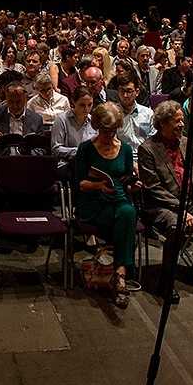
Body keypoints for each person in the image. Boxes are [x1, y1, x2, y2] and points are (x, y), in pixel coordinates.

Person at [138, 100, 193, 297]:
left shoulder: (186, 143)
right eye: (177, 121)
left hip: (191, 204)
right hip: (162, 206)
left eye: (182, 120)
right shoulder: (148, 149)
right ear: (162, 123)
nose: (181, 125)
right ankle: (166, 281)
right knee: (176, 227)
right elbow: (154, 189)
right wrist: (181, 210)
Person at [72, 103, 139, 309]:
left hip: (118, 198)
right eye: (104, 131)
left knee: (127, 211)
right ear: (97, 127)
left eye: (112, 131)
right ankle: (121, 276)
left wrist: (134, 182)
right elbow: (79, 184)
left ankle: (117, 273)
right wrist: (99, 185)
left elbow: (128, 179)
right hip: (93, 202)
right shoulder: (86, 149)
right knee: (124, 220)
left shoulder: (125, 149)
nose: (108, 135)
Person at [0, 78, 45, 161]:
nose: (15, 106)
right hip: (0, 163)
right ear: (6, 98)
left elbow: (42, 149)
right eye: (11, 102)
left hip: (27, 163)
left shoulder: (36, 119)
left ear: (25, 99)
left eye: (18, 102)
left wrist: (30, 152)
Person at [50, 86, 96, 176]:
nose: (86, 109)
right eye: (82, 105)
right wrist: (79, 151)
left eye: (90, 104)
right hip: (67, 164)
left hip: (90, 164)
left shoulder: (94, 121)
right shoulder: (61, 120)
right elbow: (56, 149)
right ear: (73, 102)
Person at [114, 79, 155, 149]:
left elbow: (154, 138)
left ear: (137, 92)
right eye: (122, 91)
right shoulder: (113, 114)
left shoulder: (148, 113)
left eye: (129, 91)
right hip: (123, 156)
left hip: (144, 156)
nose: (125, 95)